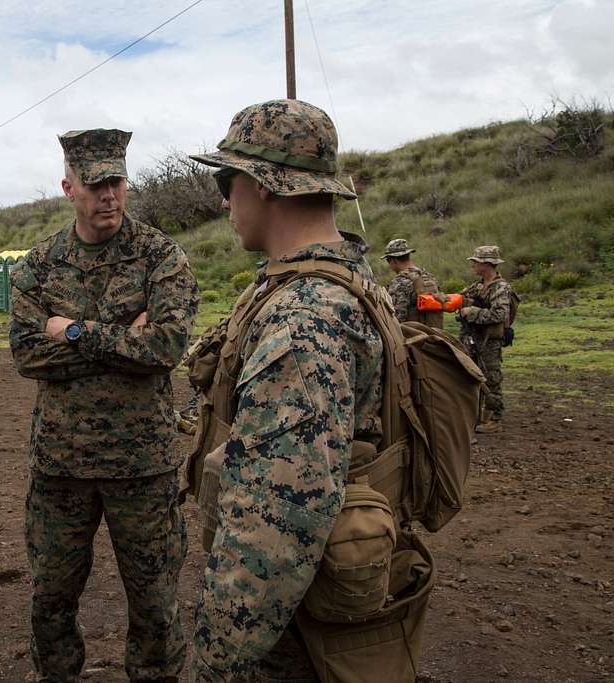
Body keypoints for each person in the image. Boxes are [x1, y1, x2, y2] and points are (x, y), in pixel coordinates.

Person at [185, 99, 384, 681]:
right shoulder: (343, 278)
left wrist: (216, 665)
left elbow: (271, 534)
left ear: (263, 185)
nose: (225, 201)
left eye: (228, 181)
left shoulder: (305, 321)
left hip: (295, 623)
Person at [9, 128, 199, 682]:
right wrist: (121, 340)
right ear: (69, 187)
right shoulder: (40, 265)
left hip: (142, 466)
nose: (109, 195)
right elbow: (25, 354)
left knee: (156, 603)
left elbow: (165, 347)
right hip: (60, 467)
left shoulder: (160, 255)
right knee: (50, 599)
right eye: (95, 185)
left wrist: (70, 332)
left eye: (116, 181)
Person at [457, 245, 513, 434]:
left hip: (490, 341)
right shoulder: (479, 285)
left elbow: (500, 314)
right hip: (475, 338)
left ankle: (494, 417)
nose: (473, 265)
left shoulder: (501, 287)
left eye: (477, 262)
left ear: (487, 264)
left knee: (491, 377)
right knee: (472, 375)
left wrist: (472, 311)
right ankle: (477, 413)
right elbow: (462, 297)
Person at [382, 238, 443, 326]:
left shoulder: (399, 282)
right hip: (434, 334)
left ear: (394, 260)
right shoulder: (429, 276)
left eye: (388, 260)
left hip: (413, 335)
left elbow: (397, 317)